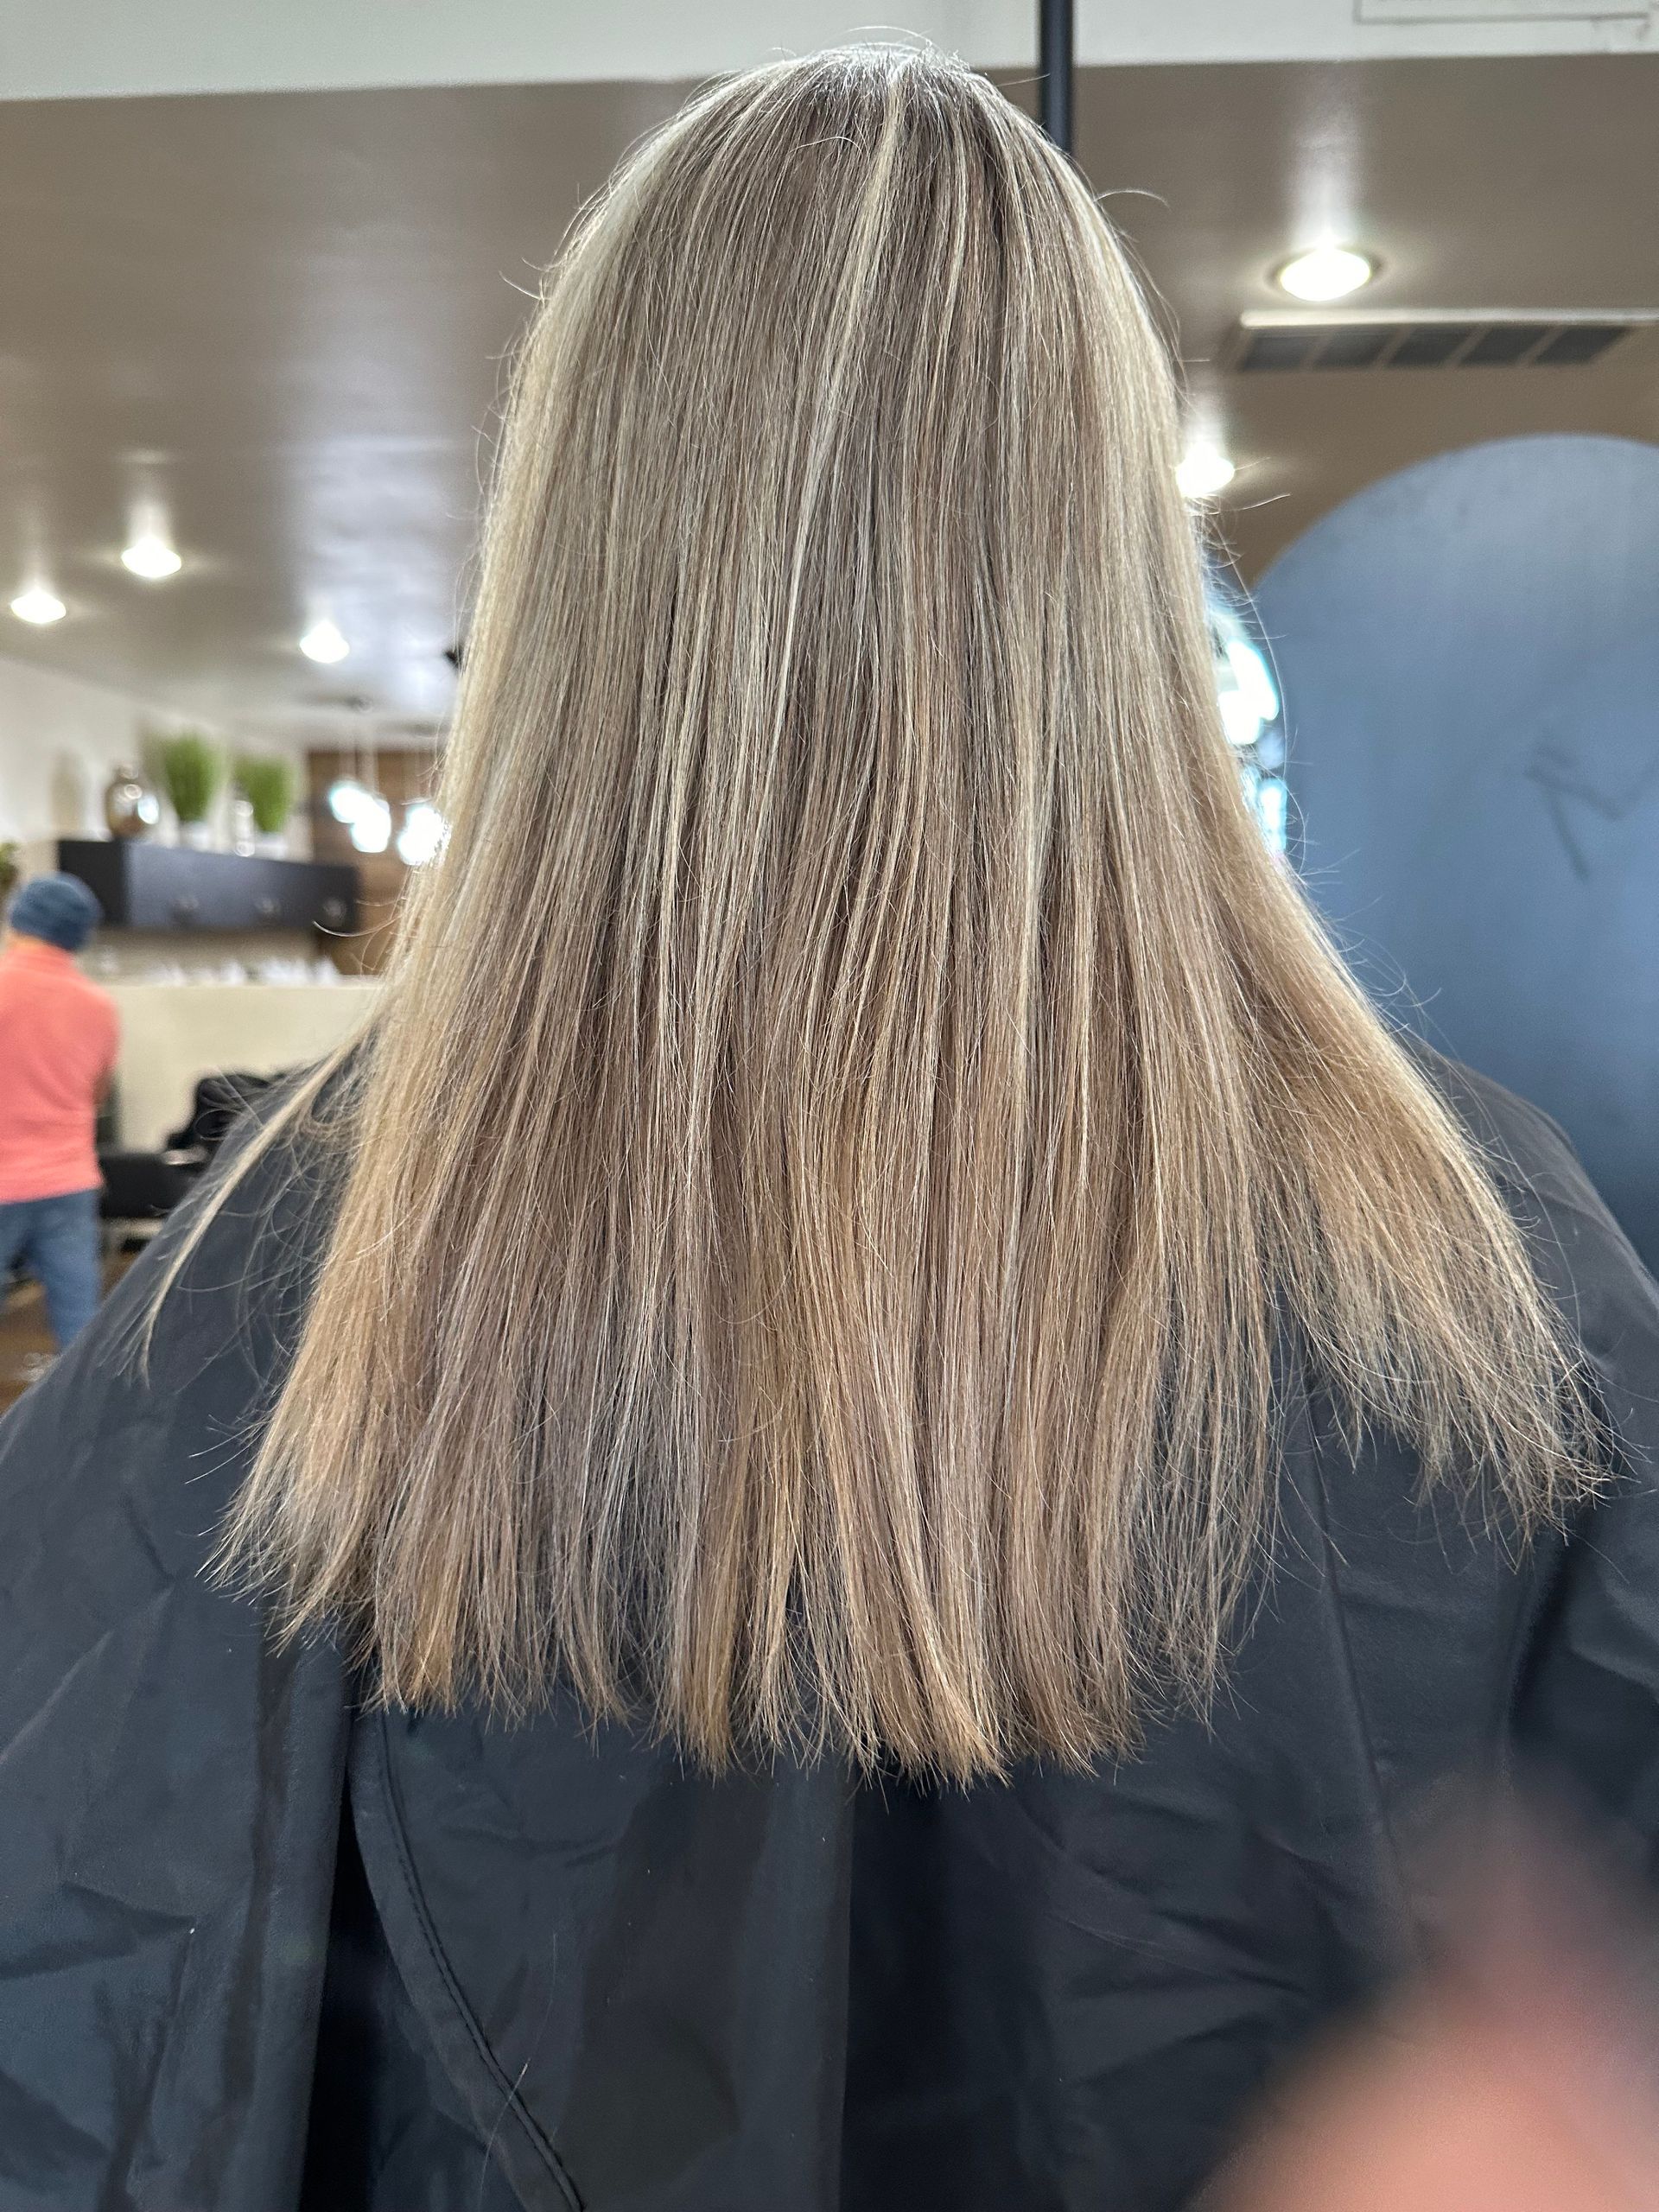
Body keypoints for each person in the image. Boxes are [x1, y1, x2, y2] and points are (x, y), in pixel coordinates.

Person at [0, 48, 1656, 2212]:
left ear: (584, 551)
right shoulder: (1478, 1262)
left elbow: (104, 2051)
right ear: (1105, 564)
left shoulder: (284, 1279)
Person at [0, 869, 117, 1351]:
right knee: (79, 1331)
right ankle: (86, 1426)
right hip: (68, 1181)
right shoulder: (99, 1006)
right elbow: (97, 1096)